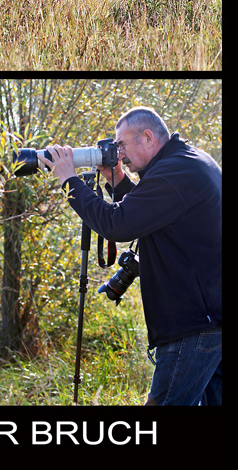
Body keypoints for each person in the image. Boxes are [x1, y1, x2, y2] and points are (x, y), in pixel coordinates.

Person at [38, 106, 222, 405]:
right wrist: (116, 178)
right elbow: (149, 210)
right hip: (211, 319)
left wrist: (68, 180)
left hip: (194, 327)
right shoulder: (189, 161)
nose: (119, 153)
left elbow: (117, 224)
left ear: (147, 137)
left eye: (122, 144)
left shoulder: (175, 173)